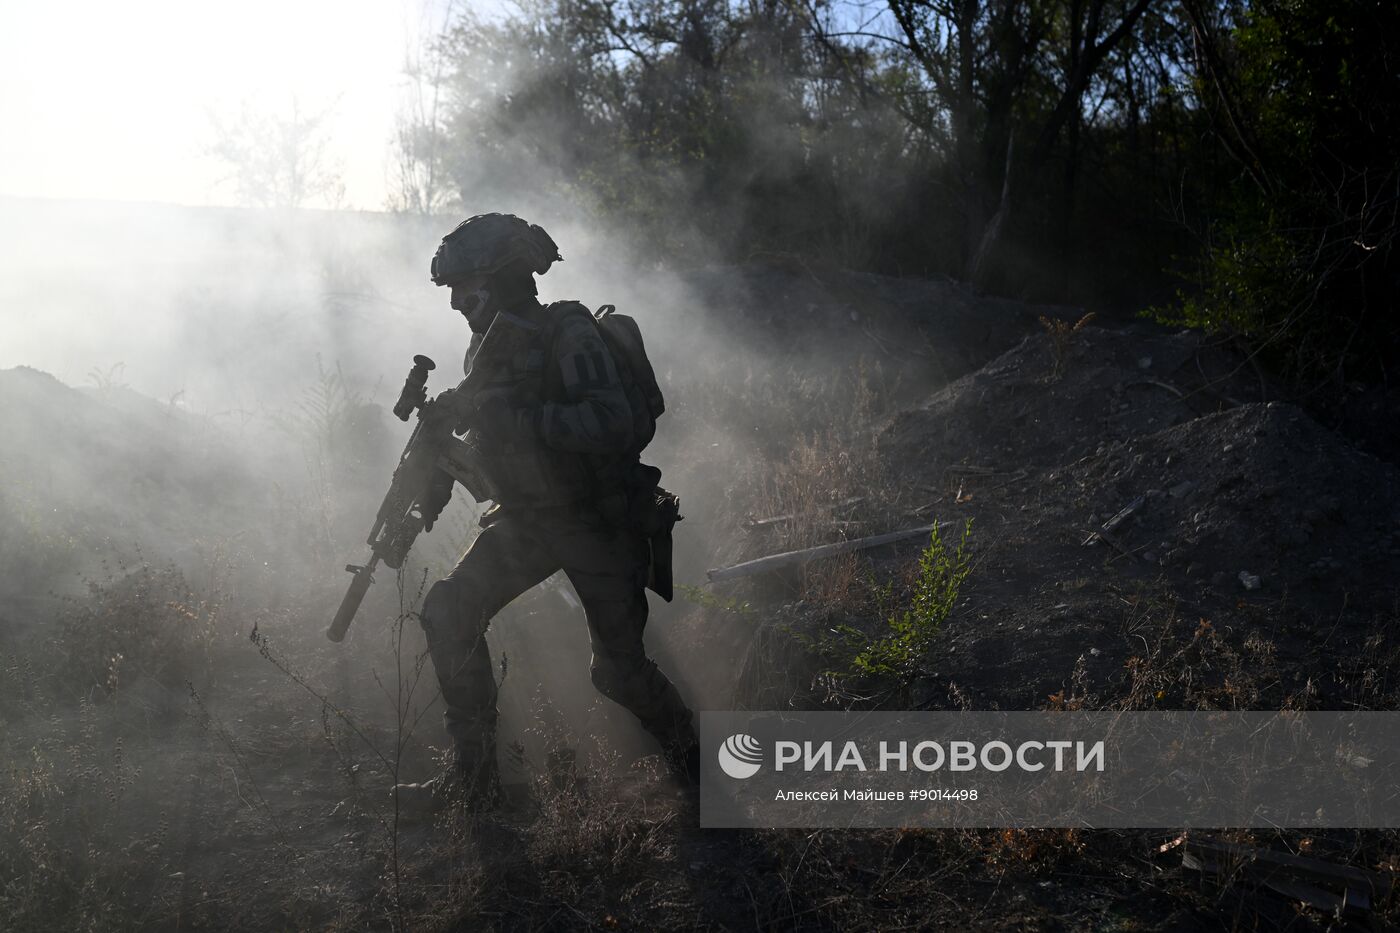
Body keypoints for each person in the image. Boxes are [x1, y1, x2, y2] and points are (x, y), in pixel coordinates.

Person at [394, 213, 698, 812]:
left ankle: (696, 769)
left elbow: (613, 422)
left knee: (618, 673)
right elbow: (493, 444)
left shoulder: (569, 332)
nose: (455, 302)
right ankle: (476, 786)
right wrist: (441, 473)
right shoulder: (485, 348)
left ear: (503, 277)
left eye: (465, 287)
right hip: (528, 520)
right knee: (450, 610)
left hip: (599, 518)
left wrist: (521, 421)